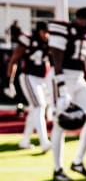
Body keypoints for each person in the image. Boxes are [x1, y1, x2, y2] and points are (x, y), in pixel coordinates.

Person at [49, 6, 86, 181]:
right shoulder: (64, 29)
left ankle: (77, 161)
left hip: (78, 80)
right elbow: (56, 57)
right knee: (60, 123)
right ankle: (57, 170)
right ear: (80, 19)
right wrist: (61, 86)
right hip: (62, 78)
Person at [4, 21, 52, 152]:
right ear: (39, 31)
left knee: (35, 109)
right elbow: (14, 60)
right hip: (29, 77)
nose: (46, 35)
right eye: (44, 32)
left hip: (42, 79)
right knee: (39, 106)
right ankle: (44, 141)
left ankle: (25, 140)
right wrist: (9, 81)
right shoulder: (28, 40)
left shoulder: (48, 42)